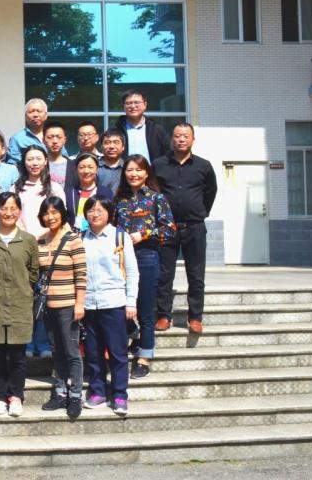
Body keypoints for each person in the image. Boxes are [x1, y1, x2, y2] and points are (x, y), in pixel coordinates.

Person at [114, 154, 176, 378]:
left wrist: (145, 234)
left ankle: (144, 357)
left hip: (147, 256)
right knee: (120, 305)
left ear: (147, 172)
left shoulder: (157, 198)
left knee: (146, 309)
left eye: (138, 170)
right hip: (121, 259)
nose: (134, 174)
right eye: (130, 170)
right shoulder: (119, 199)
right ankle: (134, 333)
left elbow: (169, 229)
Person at [153, 123, 218, 335]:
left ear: (193, 139)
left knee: (196, 275)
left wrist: (200, 212)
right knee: (164, 274)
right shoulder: (159, 164)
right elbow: (153, 192)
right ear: (172, 138)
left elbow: (210, 192)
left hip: (194, 227)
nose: (181, 139)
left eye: (185, 136)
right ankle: (164, 315)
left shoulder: (203, 166)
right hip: (167, 227)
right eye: (177, 136)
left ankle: (195, 317)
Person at [81, 197, 139, 416]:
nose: (95, 214)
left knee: (117, 353)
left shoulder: (119, 236)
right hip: (89, 304)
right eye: (91, 210)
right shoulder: (80, 238)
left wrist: (131, 301)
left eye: (100, 210)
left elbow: (132, 272)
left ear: (110, 213)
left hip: (114, 303)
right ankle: (97, 391)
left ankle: (120, 394)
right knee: (93, 352)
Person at [0, 192, 39, 417]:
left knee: (18, 355)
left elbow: (33, 273)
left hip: (19, 304)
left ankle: (16, 396)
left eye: (13, 208)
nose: (8, 213)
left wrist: (21, 287)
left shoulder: (28, 240)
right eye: (4, 208)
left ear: (19, 211)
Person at [36, 196, 86, 420]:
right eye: (46, 213)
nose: (51, 217)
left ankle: (75, 395)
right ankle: (60, 391)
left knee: (71, 351)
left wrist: (79, 304)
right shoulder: (41, 240)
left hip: (68, 306)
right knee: (56, 350)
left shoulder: (73, 239)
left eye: (55, 212)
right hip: (48, 306)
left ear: (62, 213)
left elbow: (81, 274)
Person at [14, 145, 65, 237]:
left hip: (50, 238)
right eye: (30, 159)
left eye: (38, 159)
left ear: (45, 161)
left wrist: (45, 235)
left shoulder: (55, 188)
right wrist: (26, 237)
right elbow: (13, 215)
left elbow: (61, 214)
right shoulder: (15, 189)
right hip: (23, 239)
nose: (34, 163)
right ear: (24, 162)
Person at [113, 89, 170, 161]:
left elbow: (167, 154)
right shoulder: (116, 130)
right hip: (124, 168)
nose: (133, 106)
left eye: (136, 102)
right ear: (123, 106)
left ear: (145, 105)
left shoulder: (157, 130)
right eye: (128, 103)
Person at [65, 153, 111, 233]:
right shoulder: (68, 192)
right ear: (76, 169)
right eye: (81, 167)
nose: (86, 171)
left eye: (90, 167)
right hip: (73, 237)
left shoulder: (105, 192)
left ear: (97, 169)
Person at [6, 98, 49, 164]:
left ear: (46, 115)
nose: (35, 115)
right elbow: (13, 164)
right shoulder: (17, 138)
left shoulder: (53, 136)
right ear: (25, 116)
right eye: (31, 112)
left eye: (39, 111)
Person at [43, 121, 77, 188]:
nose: (55, 141)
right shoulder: (39, 165)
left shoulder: (74, 166)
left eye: (59, 137)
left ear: (65, 140)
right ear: (43, 140)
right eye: (50, 137)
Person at [96, 129, 126, 198]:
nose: (111, 146)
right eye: (107, 143)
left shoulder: (128, 167)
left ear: (123, 147)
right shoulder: (94, 167)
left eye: (116, 142)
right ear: (101, 146)